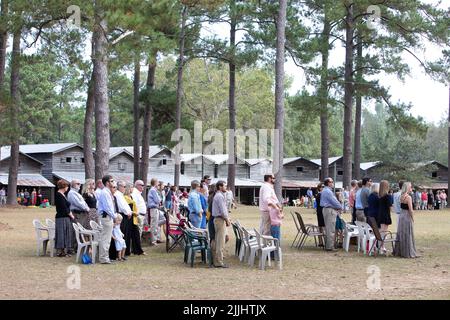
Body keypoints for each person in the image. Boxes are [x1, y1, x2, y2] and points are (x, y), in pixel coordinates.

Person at [394, 182, 418, 258]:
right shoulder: (408, 197)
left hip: (401, 215)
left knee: (401, 233)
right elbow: (410, 209)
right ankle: (408, 251)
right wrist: (412, 217)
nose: (411, 188)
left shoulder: (401, 196)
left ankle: (400, 251)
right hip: (407, 215)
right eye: (410, 187)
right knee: (408, 233)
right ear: (407, 188)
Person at [97, 175, 117, 264]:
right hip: (106, 217)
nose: (113, 182)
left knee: (107, 238)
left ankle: (105, 257)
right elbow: (107, 208)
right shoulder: (105, 193)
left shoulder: (107, 192)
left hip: (107, 216)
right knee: (106, 238)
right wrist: (114, 216)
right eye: (112, 181)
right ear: (107, 183)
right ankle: (104, 258)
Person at [212, 180, 231, 268]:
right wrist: (227, 220)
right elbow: (223, 210)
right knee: (220, 241)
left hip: (218, 219)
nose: (226, 187)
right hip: (220, 219)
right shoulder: (220, 196)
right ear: (220, 187)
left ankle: (217, 260)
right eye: (224, 186)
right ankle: (219, 262)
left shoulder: (219, 195)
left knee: (219, 240)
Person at [320, 178, 342, 251]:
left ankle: (328, 245)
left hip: (327, 210)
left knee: (328, 228)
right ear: (328, 183)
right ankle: (330, 247)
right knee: (330, 229)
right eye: (331, 182)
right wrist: (340, 206)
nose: (333, 183)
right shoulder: (328, 191)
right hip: (330, 210)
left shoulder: (325, 190)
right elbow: (335, 202)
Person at [54, 179, 74, 257]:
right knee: (62, 234)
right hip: (61, 217)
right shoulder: (59, 195)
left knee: (66, 234)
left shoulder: (63, 194)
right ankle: (61, 252)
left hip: (65, 217)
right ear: (64, 186)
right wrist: (70, 214)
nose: (67, 188)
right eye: (67, 186)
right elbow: (63, 207)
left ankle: (64, 251)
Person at [113, 181, 133, 259]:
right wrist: (127, 213)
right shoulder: (117, 194)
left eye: (125, 187)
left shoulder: (121, 195)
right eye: (124, 187)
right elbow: (121, 206)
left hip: (126, 215)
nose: (125, 188)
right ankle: (119, 255)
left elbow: (126, 205)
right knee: (120, 235)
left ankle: (124, 253)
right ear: (119, 186)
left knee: (124, 235)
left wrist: (129, 212)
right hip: (122, 215)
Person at [124, 184, 145, 256]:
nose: (133, 188)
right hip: (129, 218)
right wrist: (134, 213)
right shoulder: (125, 197)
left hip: (134, 218)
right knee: (128, 235)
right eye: (132, 187)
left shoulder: (131, 197)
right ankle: (127, 251)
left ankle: (138, 250)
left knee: (136, 235)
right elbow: (127, 208)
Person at [377, 180, 392, 253]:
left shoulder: (380, 196)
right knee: (384, 232)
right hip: (385, 215)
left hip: (380, 215)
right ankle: (382, 247)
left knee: (381, 231)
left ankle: (381, 246)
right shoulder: (387, 196)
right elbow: (390, 206)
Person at [147, 178, 161, 245]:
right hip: (153, 208)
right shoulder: (153, 190)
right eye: (157, 182)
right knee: (154, 225)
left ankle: (156, 238)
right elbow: (157, 200)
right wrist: (159, 200)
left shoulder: (154, 190)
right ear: (155, 183)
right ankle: (153, 241)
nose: (158, 183)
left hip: (155, 208)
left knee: (156, 224)